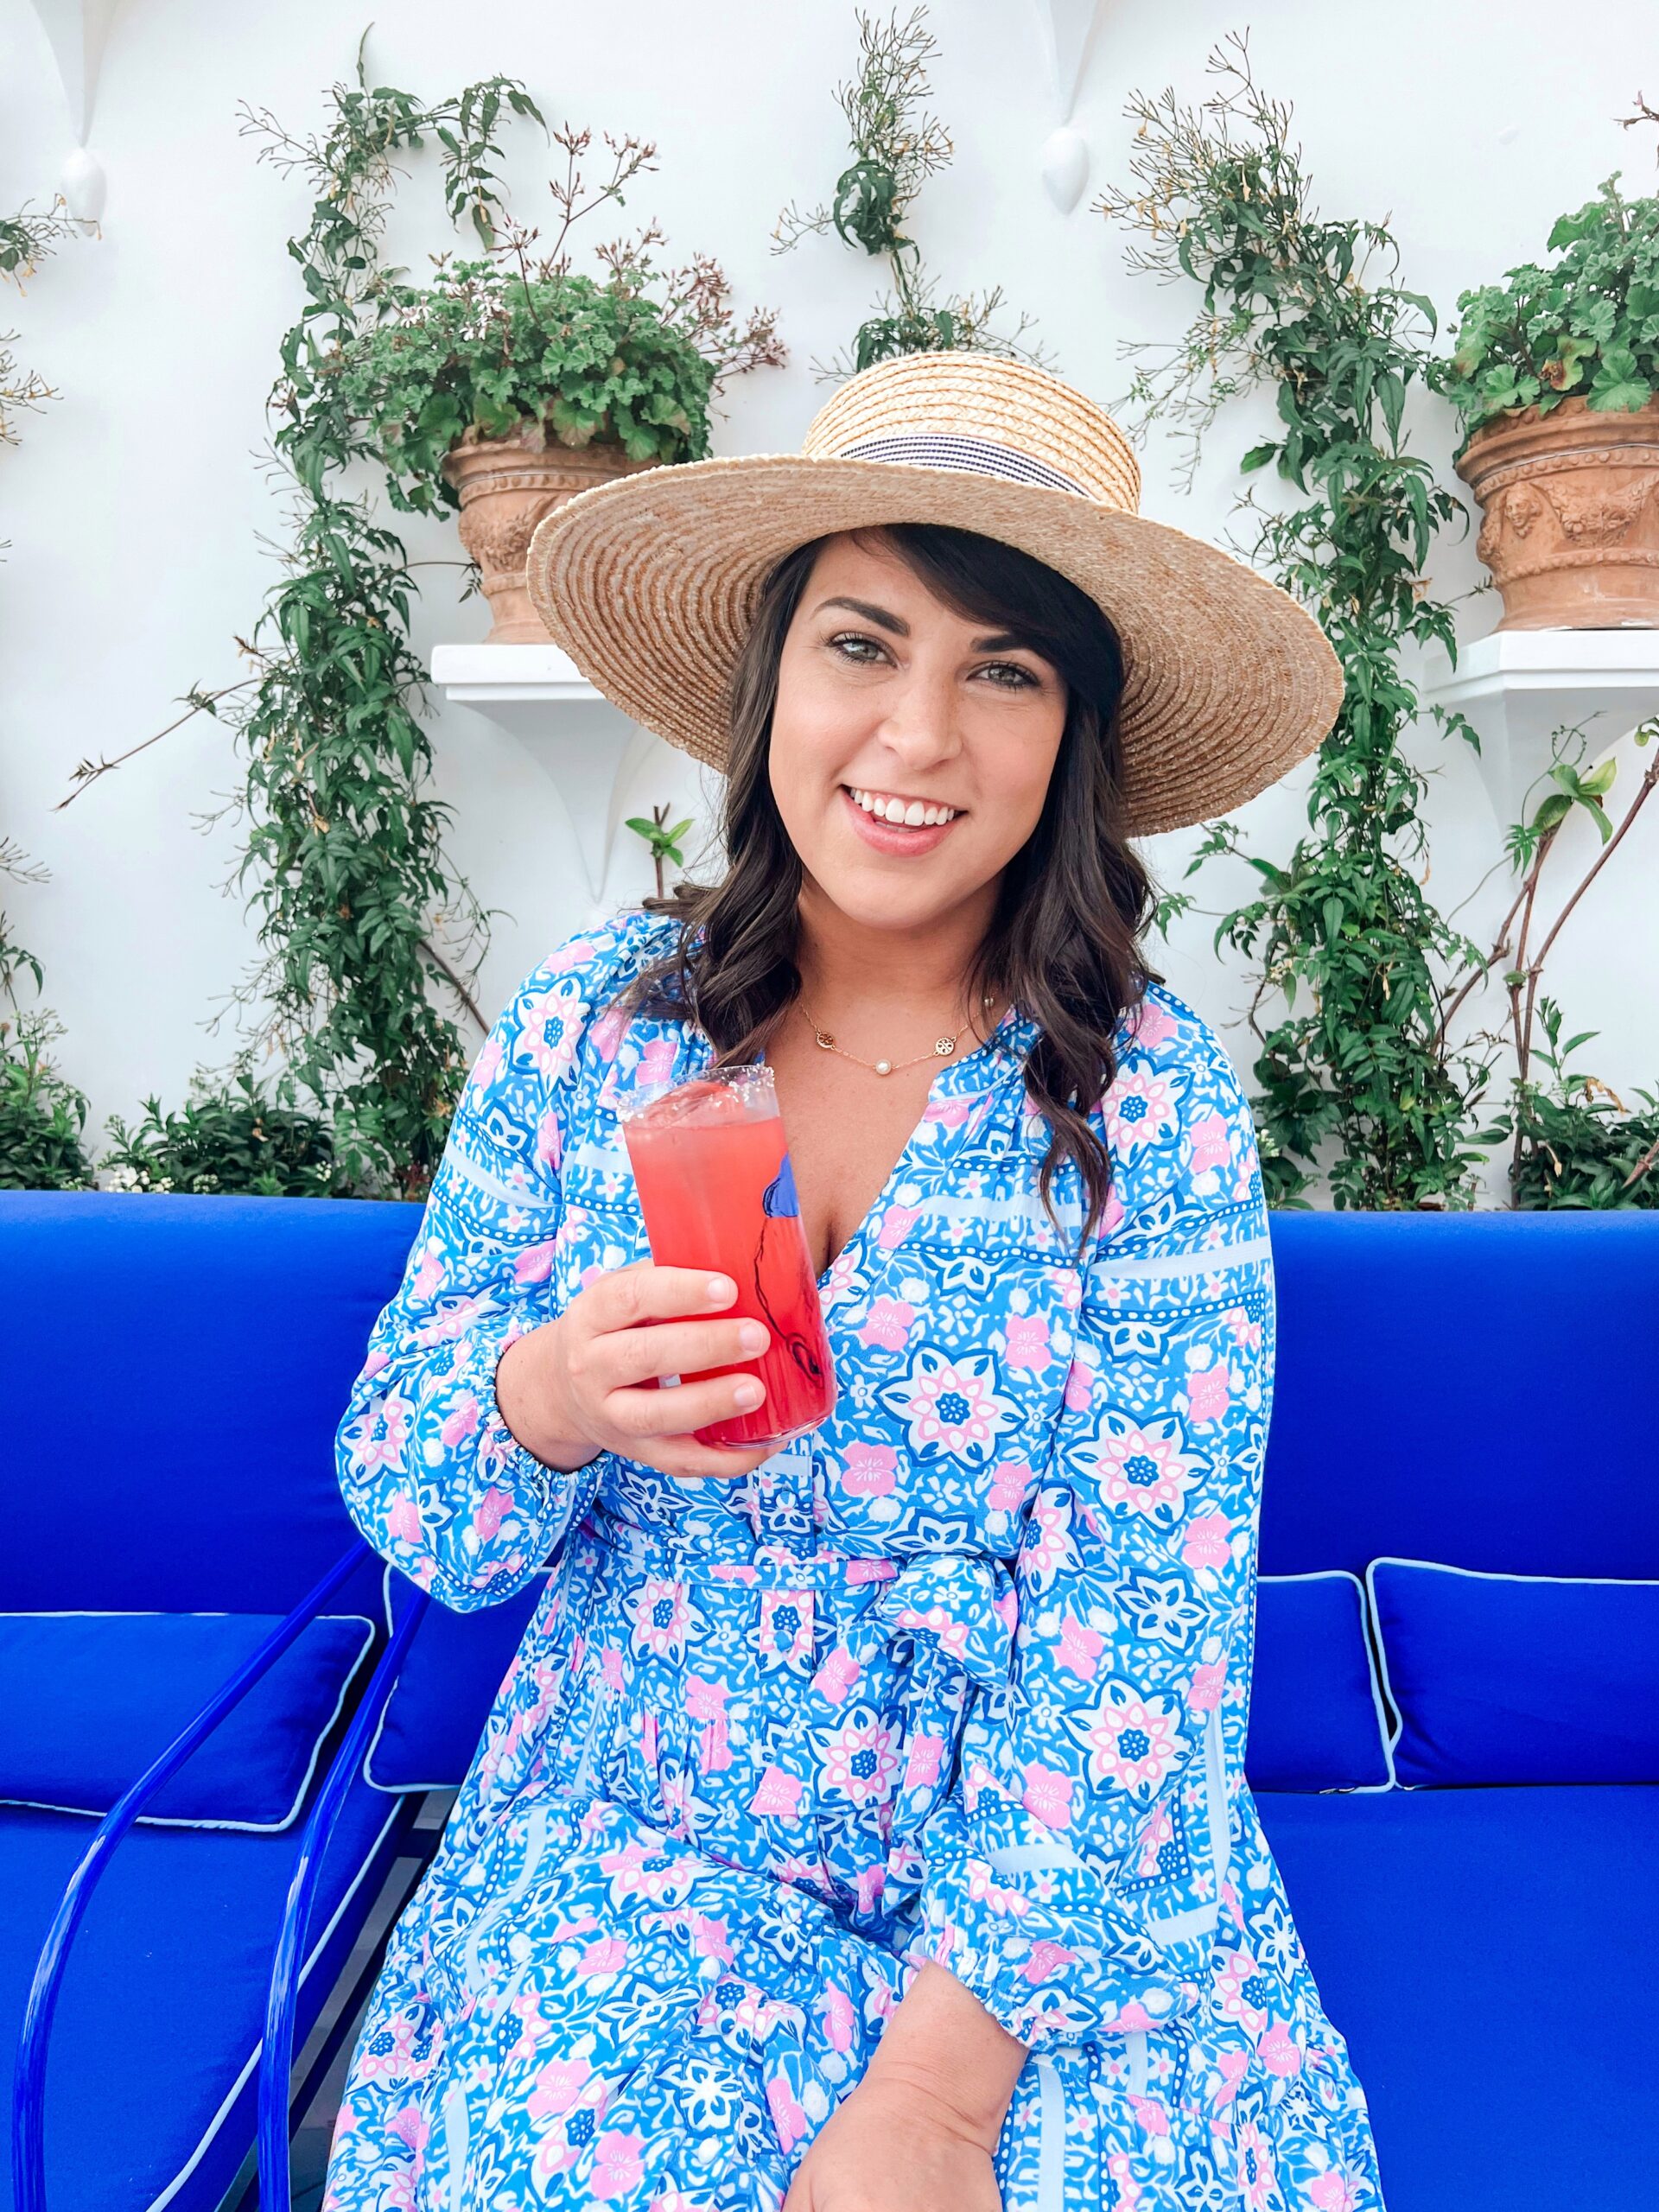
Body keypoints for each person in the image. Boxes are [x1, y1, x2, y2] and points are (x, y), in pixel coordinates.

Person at [322, 351, 1382, 2212]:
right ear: (770, 682)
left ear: (1076, 739)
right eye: (863, 643)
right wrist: (550, 1395)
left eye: (1005, 669)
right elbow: (423, 1510)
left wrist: (942, 2105)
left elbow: (1144, 1631)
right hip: (641, 1825)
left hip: (1047, 1873)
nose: (915, 739)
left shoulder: (1156, 1103)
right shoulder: (593, 1025)